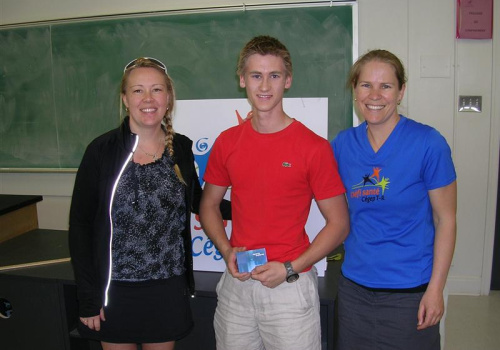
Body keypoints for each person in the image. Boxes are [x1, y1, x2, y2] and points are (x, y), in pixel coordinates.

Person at [68, 57, 231, 350]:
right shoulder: (101, 151)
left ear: (168, 98)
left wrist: (250, 205)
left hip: (166, 287)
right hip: (114, 290)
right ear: (125, 99)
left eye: (156, 90)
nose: (148, 99)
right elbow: (80, 226)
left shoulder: (180, 146)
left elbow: (197, 200)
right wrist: (88, 298)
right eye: (137, 91)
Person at [199, 35, 349, 350]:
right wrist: (227, 252)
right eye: (256, 75)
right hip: (238, 288)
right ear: (242, 80)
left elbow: (339, 224)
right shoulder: (228, 142)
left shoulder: (313, 148)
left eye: (274, 75)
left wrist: (290, 267)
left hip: (289, 290)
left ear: (288, 81)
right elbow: (209, 206)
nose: (265, 85)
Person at [331, 49, 457, 350]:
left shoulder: (428, 143)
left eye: (386, 86)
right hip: (354, 292)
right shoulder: (342, 145)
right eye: (365, 85)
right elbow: (302, 177)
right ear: (354, 89)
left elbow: (446, 220)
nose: (375, 95)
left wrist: (436, 290)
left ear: (401, 91)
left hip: (410, 293)